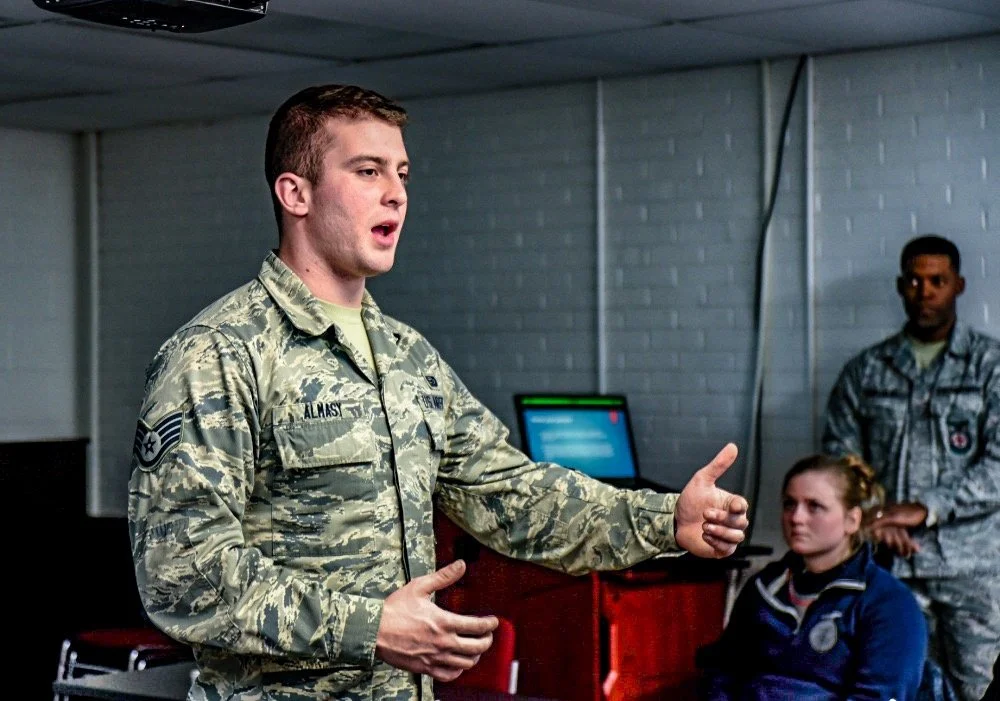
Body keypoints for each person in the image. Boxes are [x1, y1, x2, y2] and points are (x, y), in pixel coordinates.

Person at [126, 84, 751, 701]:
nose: (395, 193)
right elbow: (181, 574)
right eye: (367, 171)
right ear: (296, 193)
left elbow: (512, 496)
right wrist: (369, 627)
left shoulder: (407, 357)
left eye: (401, 173)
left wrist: (665, 519)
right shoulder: (218, 353)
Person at [822, 234, 1000, 701]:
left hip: (972, 566)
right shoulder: (867, 371)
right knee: (897, 686)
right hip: (888, 565)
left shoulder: (990, 368)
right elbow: (840, 462)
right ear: (901, 286)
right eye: (915, 282)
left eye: (937, 281)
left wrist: (927, 507)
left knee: (977, 687)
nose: (926, 292)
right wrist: (876, 516)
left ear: (958, 284)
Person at [699, 453, 927, 701]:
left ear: (852, 520)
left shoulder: (888, 603)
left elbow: (879, 696)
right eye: (789, 504)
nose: (796, 518)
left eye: (814, 506)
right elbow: (723, 674)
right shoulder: (764, 588)